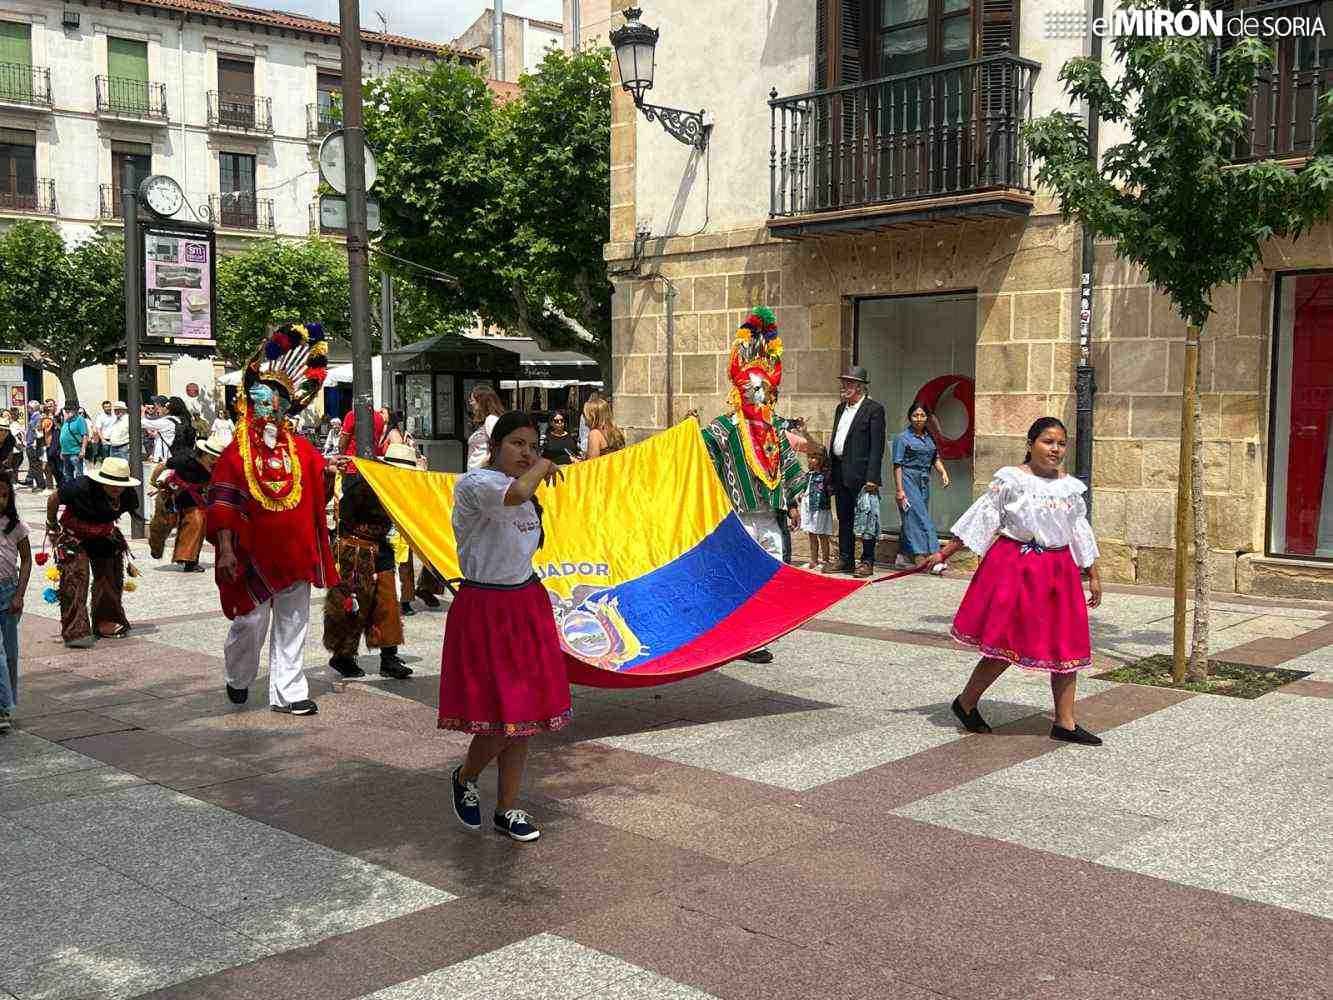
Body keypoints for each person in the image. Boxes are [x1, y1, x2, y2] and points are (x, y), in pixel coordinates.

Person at [927, 417, 1105, 746]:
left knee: (1067, 641)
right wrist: (945, 553)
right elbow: (983, 517)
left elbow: (1079, 530)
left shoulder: (1070, 488)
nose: (1055, 449)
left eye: (1061, 443)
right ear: (1030, 443)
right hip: (1016, 567)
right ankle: (965, 702)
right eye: (1048, 441)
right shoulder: (1010, 480)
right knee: (1005, 642)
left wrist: (1092, 574)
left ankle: (1065, 721)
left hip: (1059, 570)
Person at [443, 410, 568, 843]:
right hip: (487, 605)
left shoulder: (526, 491)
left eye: (533, 446)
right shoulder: (476, 485)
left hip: (524, 602)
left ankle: (509, 807)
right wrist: (546, 464)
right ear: (495, 446)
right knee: (501, 715)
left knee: (525, 716)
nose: (527, 453)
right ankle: (465, 776)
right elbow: (514, 495)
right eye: (517, 443)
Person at [207, 322, 336, 717]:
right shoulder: (235, 452)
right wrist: (226, 550)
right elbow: (225, 502)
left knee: (294, 623)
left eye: (277, 402)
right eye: (263, 401)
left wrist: (332, 469)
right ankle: (238, 676)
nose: (270, 409)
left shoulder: (301, 448)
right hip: (250, 556)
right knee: (251, 623)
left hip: (296, 552)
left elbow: (321, 488)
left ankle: (290, 691)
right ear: (249, 403)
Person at [700, 307, 805, 664]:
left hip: (770, 516)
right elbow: (701, 449)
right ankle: (738, 636)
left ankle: (756, 635)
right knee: (742, 575)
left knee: (770, 574)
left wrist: (792, 502)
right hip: (741, 516)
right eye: (753, 389)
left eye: (764, 390)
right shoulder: (726, 427)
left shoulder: (774, 427)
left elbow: (788, 462)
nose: (759, 396)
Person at [323, 448, 414, 681]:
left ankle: (389, 657)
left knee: (387, 604)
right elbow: (344, 512)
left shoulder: (398, 487)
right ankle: (343, 655)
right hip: (355, 551)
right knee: (353, 605)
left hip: (381, 548)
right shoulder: (364, 485)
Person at [46, 456, 139, 649]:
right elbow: (53, 498)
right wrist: (52, 525)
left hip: (103, 534)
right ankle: (75, 629)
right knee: (76, 577)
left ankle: (105, 621)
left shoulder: (128, 495)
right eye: (111, 483)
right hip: (74, 533)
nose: (116, 488)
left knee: (109, 577)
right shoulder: (80, 487)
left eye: (120, 484)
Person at [825, 365, 886, 579]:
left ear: (860, 387)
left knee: (867, 518)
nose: (844, 387)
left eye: (849, 383)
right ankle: (846, 558)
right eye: (844, 383)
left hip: (862, 474)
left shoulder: (873, 409)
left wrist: (873, 477)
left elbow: (877, 447)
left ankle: (867, 560)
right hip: (841, 470)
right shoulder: (840, 409)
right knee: (844, 517)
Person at [150, 434, 225, 572]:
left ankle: (189, 560)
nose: (214, 461)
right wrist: (154, 482)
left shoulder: (216, 468)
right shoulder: (184, 460)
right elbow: (162, 466)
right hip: (171, 495)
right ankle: (156, 546)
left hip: (194, 499)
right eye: (212, 458)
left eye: (217, 459)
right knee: (163, 524)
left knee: (198, 520)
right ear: (203, 454)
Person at [893, 401, 951, 575]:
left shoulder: (929, 438)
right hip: (908, 479)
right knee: (923, 519)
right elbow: (897, 465)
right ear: (910, 417)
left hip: (924, 480)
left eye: (922, 415)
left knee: (911, 519)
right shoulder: (902, 438)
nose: (919, 419)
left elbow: (935, 458)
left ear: (927, 418)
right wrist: (900, 490)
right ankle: (932, 557)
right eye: (915, 415)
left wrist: (943, 472)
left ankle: (903, 556)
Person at [0, 473, 32, 732]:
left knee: (10, 653)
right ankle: (2, 705)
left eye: (4, 495)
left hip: (9, 593)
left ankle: (8, 705)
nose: (0, 500)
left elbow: (26, 560)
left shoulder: (16, 526)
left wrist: (19, 594)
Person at [801, 444, 834, 570]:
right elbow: (806, 487)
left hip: (820, 508)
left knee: (823, 534)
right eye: (809, 457)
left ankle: (825, 559)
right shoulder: (809, 474)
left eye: (814, 457)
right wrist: (801, 494)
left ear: (821, 459)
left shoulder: (825, 475)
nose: (811, 460)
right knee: (811, 534)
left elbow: (829, 488)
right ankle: (813, 559)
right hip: (809, 506)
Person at [465, 385, 505, 470]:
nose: (470, 403)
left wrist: (484, 464)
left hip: (482, 475)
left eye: (472, 400)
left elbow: (501, 446)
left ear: (481, 401)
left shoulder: (491, 420)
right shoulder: (486, 421)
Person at [58, 402, 88, 482]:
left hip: (75, 452)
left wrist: (83, 449)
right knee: (67, 475)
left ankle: (80, 492)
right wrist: (62, 450)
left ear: (75, 410)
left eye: (69, 410)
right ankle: (70, 492)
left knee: (79, 474)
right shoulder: (66, 420)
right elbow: (63, 436)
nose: (67, 411)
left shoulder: (80, 420)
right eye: (66, 410)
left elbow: (85, 435)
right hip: (65, 452)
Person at [91, 401, 115, 465]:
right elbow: (98, 429)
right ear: (103, 408)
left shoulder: (114, 415)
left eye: (109, 406)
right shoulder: (101, 417)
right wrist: (102, 440)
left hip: (114, 440)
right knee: (106, 459)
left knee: (114, 459)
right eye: (106, 407)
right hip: (105, 440)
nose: (108, 408)